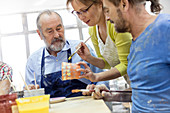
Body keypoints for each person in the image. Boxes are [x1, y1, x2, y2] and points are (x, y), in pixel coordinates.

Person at [80, 0, 170, 112]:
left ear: (124, 4)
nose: (107, 18)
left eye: (107, 11)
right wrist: (109, 95)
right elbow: (143, 93)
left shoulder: (165, 29)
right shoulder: (136, 42)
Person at [25, 10, 109, 98]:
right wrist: (30, 91)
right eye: (50, 31)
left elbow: (102, 78)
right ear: (40, 34)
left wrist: (98, 87)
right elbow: (29, 93)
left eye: (59, 29)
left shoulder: (81, 49)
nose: (57, 35)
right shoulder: (33, 61)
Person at [66, 0, 132, 86]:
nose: (81, 17)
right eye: (78, 13)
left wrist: (96, 77)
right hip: (134, 84)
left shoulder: (116, 25)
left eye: (84, 10)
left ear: (100, 4)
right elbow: (107, 63)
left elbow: (126, 65)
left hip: (146, 80)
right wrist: (89, 58)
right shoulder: (93, 29)